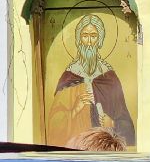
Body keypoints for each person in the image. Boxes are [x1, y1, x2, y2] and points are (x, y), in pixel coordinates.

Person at [47, 14, 137, 147]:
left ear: (99, 40)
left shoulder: (109, 77)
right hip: (75, 151)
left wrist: (112, 123)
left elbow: (125, 122)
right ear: (78, 39)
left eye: (93, 36)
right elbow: (54, 125)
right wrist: (74, 111)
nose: (89, 42)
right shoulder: (69, 76)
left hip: (105, 151)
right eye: (85, 36)